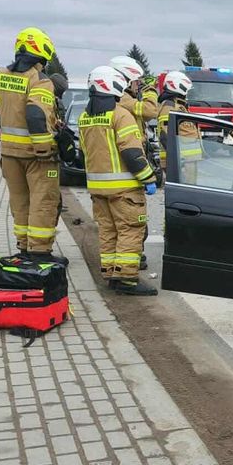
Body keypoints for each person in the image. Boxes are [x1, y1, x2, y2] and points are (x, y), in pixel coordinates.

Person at [79, 65, 159, 295]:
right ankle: (126, 280)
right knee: (130, 231)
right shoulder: (121, 115)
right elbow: (132, 153)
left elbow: (84, 152)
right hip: (124, 189)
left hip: (98, 189)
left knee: (108, 232)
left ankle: (111, 274)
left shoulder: (85, 117)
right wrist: (148, 178)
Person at [0, 28, 63, 260]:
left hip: (9, 153)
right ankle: (40, 253)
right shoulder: (39, 80)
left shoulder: (0, 76)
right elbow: (35, 114)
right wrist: (45, 148)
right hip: (36, 156)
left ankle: (23, 248)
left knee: (20, 202)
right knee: (43, 202)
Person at [156, 71, 199, 183]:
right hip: (180, 162)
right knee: (184, 193)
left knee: (189, 192)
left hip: (186, 161)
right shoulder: (169, 107)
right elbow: (165, 134)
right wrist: (177, 160)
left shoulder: (178, 106)